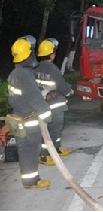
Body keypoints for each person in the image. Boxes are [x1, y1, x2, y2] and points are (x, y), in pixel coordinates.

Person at [8, 38, 52, 188]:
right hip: (29, 121)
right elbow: (34, 98)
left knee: (25, 150)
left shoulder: (15, 73)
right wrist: (47, 114)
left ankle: (29, 179)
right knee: (31, 151)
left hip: (19, 118)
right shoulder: (24, 75)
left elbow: (21, 95)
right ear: (28, 54)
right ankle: (32, 181)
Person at [35, 38, 73, 166]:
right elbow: (61, 85)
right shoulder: (52, 68)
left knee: (52, 129)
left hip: (41, 104)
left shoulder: (35, 68)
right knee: (52, 129)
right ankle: (44, 156)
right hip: (54, 105)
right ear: (52, 54)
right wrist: (69, 91)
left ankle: (56, 149)